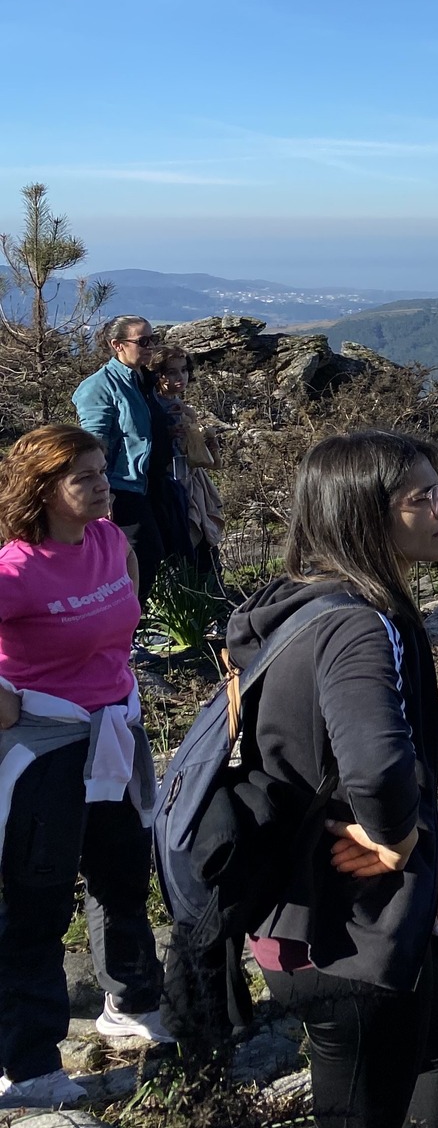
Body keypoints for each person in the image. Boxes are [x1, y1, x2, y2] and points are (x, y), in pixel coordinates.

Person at [226, 430, 438, 1128]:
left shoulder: (301, 604)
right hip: (345, 939)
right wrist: (398, 842)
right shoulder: (361, 626)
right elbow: (376, 763)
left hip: (314, 913)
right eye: (422, 497)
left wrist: (418, 885)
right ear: (366, 514)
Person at [0, 426, 169, 1109]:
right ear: (42, 491)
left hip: (114, 734)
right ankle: (28, 1063)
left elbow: (123, 612)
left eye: (103, 469)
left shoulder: (108, 541)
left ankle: (128, 1002)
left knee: (122, 874)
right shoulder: (14, 569)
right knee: (35, 904)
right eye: (85, 476)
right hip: (47, 748)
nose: (104, 483)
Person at [71, 316, 181, 605]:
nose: (150, 347)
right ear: (117, 345)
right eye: (142, 341)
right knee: (142, 554)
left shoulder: (142, 381)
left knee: (162, 550)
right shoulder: (100, 387)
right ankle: (121, 629)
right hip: (122, 487)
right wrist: (102, 490)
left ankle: (129, 627)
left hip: (150, 484)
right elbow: (94, 443)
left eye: (153, 339)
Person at [149, 344, 226, 593]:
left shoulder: (177, 403)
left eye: (183, 371)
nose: (179, 377)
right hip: (171, 484)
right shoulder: (155, 406)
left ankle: (212, 599)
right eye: (171, 372)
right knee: (185, 543)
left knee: (204, 543)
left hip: (189, 481)